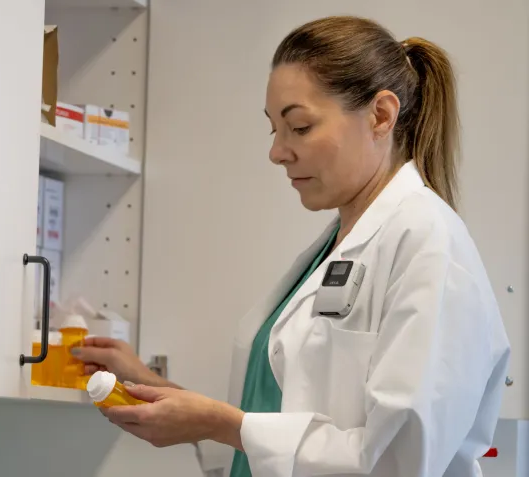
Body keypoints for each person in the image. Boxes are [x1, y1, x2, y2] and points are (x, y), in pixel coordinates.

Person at [72, 15, 511, 477]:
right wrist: (151, 386)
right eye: (273, 130)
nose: (277, 152)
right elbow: (275, 418)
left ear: (381, 115)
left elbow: (400, 461)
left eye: (299, 127)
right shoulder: (335, 249)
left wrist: (222, 424)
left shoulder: (429, 244)